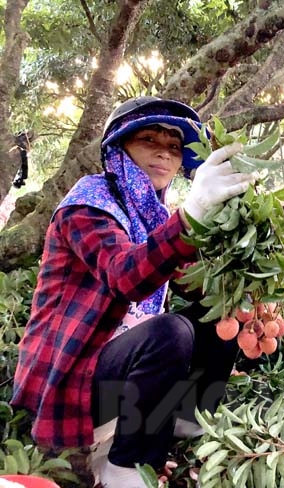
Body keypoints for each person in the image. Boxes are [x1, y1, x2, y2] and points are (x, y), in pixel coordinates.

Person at [11, 96, 256, 487]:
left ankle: (180, 423)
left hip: (116, 373)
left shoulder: (154, 213)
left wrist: (242, 278)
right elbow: (125, 275)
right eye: (148, 140)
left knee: (216, 317)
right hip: (73, 376)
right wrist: (190, 217)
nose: (164, 153)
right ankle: (124, 467)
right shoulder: (87, 206)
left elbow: (189, 281)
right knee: (169, 333)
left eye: (175, 147)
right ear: (119, 148)